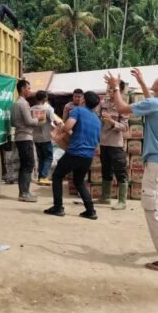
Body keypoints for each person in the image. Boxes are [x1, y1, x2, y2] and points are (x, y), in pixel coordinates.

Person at [105, 68, 158, 273]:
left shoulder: (156, 104)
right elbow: (152, 106)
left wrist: (115, 87)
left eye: (157, 79)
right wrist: (141, 84)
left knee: (152, 209)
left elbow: (122, 108)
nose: (154, 81)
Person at [44, 91, 102, 220]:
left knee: (57, 176)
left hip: (75, 152)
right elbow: (98, 139)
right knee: (79, 182)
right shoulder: (97, 119)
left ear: (84, 101)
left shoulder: (78, 111)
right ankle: (90, 211)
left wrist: (61, 129)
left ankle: (58, 207)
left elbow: (68, 126)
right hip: (88, 155)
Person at [97, 81, 130, 208]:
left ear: (119, 92)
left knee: (120, 171)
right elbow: (96, 117)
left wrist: (112, 121)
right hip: (104, 142)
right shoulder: (102, 104)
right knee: (105, 170)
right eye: (108, 89)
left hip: (116, 144)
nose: (109, 91)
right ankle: (105, 197)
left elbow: (125, 127)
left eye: (112, 89)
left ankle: (122, 201)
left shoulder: (123, 107)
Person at [10, 78, 41, 202]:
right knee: (28, 165)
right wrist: (37, 120)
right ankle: (24, 193)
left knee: (25, 165)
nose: (30, 91)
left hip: (19, 136)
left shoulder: (15, 104)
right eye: (28, 88)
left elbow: (12, 122)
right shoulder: (23, 104)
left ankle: (24, 192)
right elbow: (29, 121)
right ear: (22, 89)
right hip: (25, 137)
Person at [32, 90, 61, 185]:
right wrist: (59, 124)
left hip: (35, 137)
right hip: (46, 137)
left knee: (41, 158)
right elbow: (54, 121)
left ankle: (40, 177)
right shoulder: (48, 109)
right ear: (45, 99)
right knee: (48, 157)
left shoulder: (31, 109)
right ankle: (43, 177)